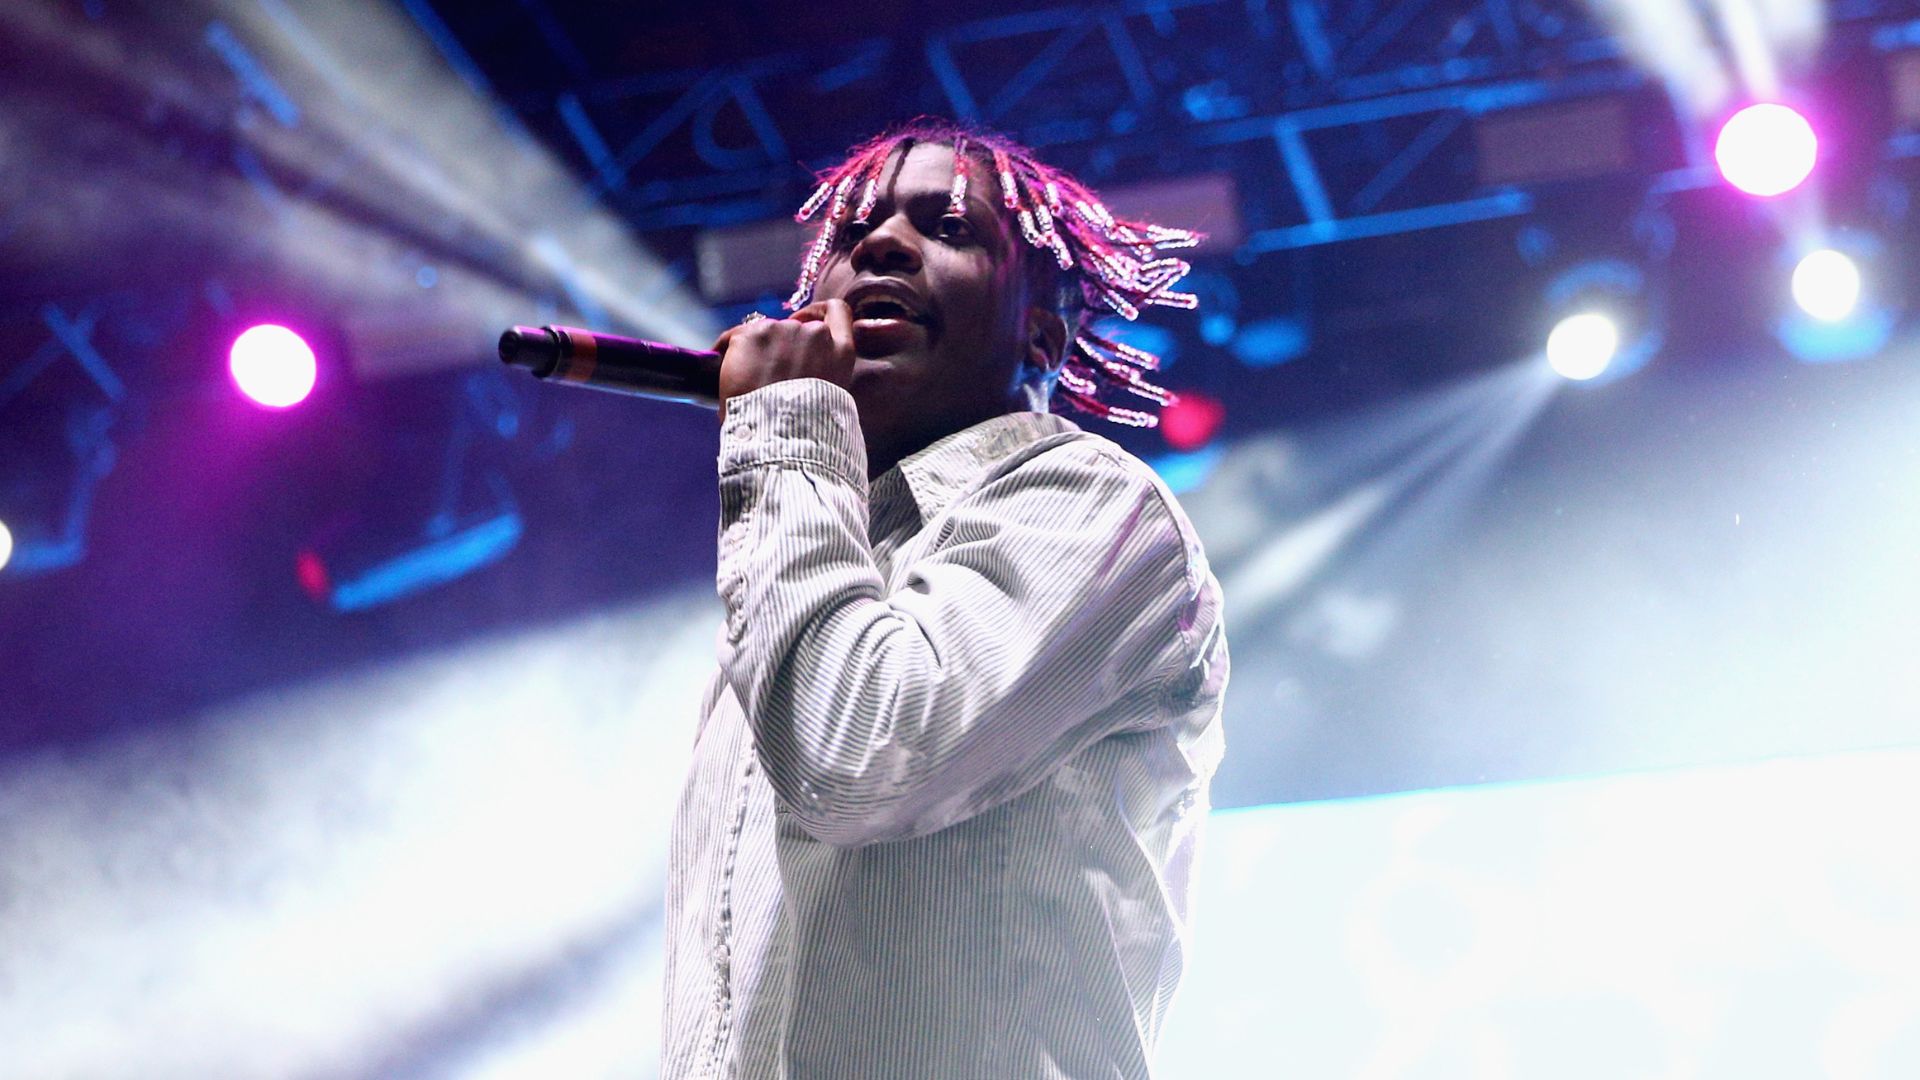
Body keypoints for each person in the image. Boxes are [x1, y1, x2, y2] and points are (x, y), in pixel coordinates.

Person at [664, 118, 1229, 1079]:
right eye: (852, 234)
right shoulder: (802, 570)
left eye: (949, 227)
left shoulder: (1090, 506)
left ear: (1040, 335)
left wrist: (789, 426)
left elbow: (858, 759)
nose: (882, 246)